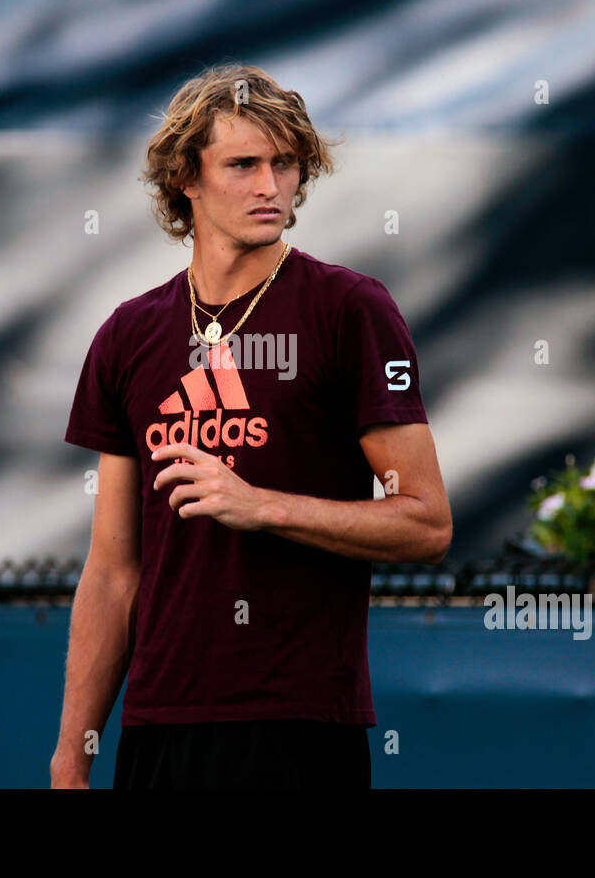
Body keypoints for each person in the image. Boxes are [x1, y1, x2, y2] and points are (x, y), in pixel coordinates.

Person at [51, 62, 451, 789]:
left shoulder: (350, 310)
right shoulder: (128, 334)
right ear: (187, 179)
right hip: (158, 733)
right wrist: (72, 758)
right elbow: (112, 571)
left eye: (285, 164)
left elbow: (425, 522)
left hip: (297, 729)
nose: (270, 186)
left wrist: (260, 506)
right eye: (242, 164)